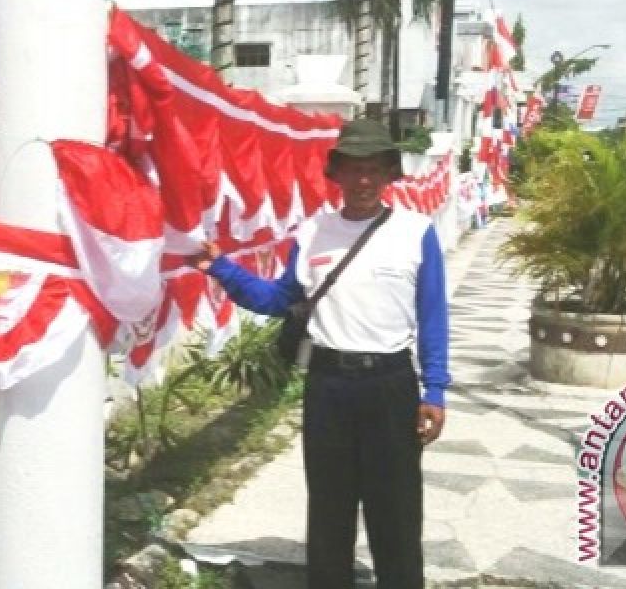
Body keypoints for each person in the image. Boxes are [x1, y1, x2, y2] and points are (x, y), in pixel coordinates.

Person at [190, 118, 449, 589]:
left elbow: (433, 317)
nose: (364, 180)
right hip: (328, 386)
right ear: (337, 174)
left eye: (374, 169)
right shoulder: (313, 232)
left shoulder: (416, 232)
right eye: (353, 169)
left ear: (390, 173)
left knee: (395, 509)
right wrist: (221, 268)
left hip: (391, 384)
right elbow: (277, 299)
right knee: (329, 507)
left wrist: (435, 389)